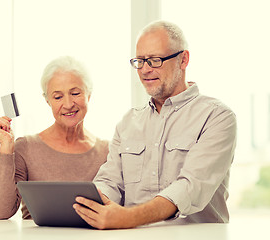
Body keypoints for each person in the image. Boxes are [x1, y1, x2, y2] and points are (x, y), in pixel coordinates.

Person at [73, 20, 237, 229]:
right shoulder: (127, 123)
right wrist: (86, 205)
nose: (145, 70)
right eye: (140, 61)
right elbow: (110, 182)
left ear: (183, 59)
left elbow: (190, 187)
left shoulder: (217, 116)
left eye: (155, 60)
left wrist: (127, 218)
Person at [0, 56, 109, 220]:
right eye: (58, 97)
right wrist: (6, 149)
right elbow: (1, 212)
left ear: (88, 95)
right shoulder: (25, 147)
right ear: (47, 101)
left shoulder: (108, 152)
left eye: (75, 93)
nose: (68, 104)